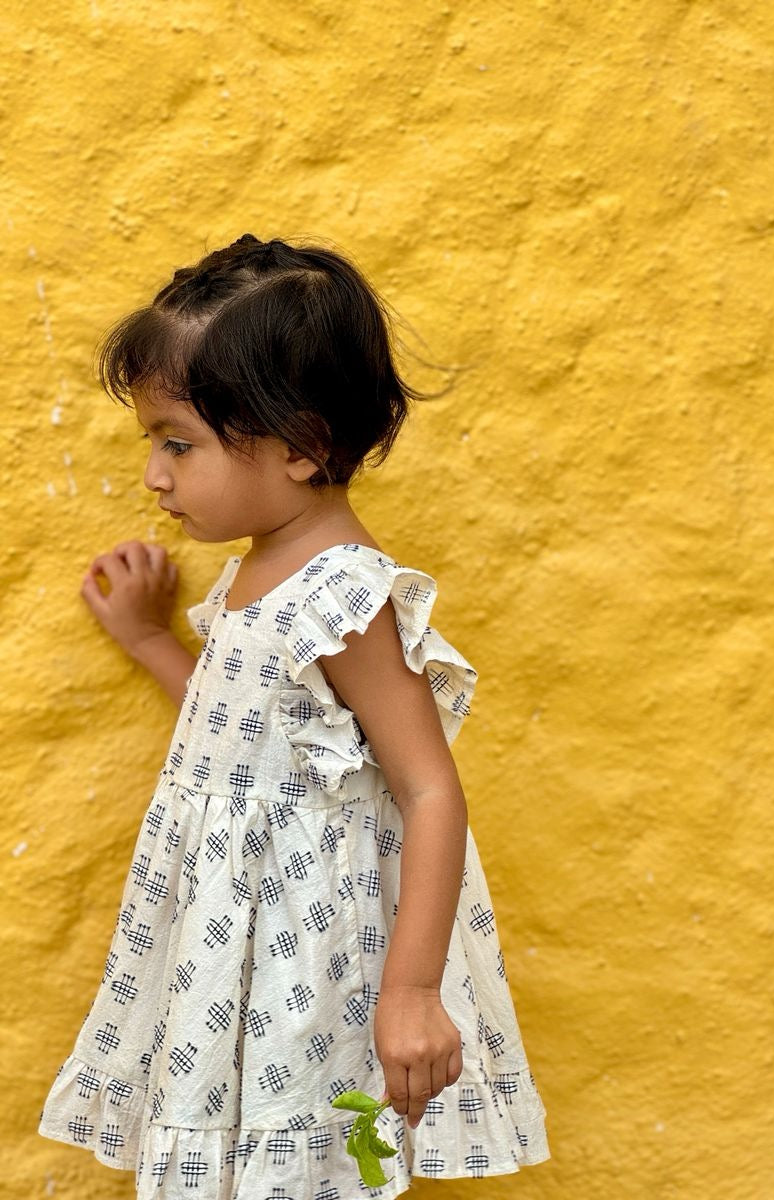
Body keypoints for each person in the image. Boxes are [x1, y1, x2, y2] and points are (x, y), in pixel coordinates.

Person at [37, 234, 549, 1198]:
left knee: (299, 1167)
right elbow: (243, 738)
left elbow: (430, 789)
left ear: (302, 447)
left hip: (302, 948)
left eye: (177, 442)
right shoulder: (256, 575)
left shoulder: (343, 597)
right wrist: (150, 641)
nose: (154, 476)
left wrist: (411, 991)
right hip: (224, 939)